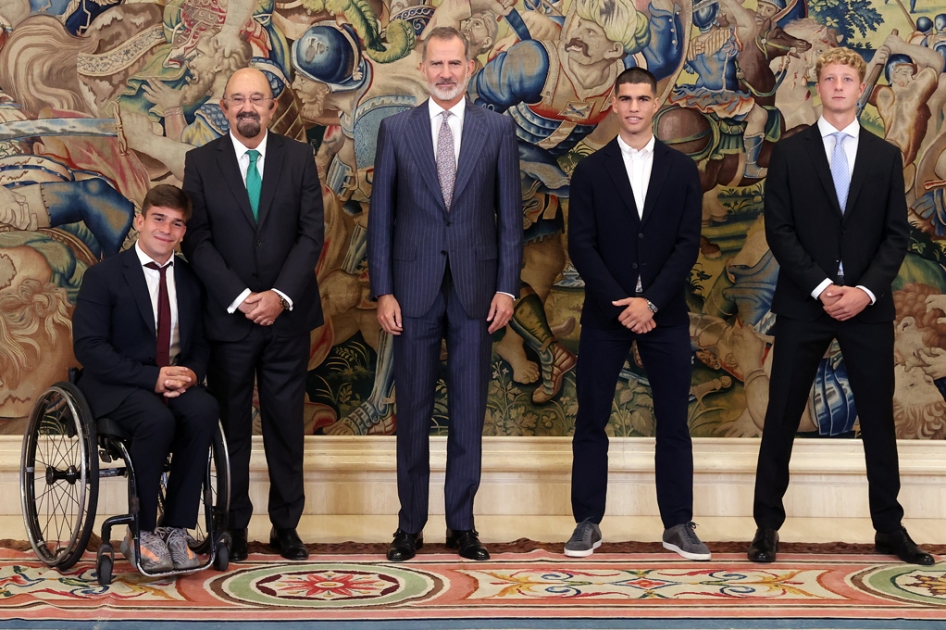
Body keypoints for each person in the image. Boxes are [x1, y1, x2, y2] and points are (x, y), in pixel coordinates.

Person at [748, 47, 934, 566]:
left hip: (867, 308)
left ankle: (890, 528)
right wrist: (823, 288)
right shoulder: (790, 152)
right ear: (818, 87)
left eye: (846, 79)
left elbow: (896, 237)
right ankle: (765, 525)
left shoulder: (883, 155)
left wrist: (864, 291)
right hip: (805, 305)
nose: (837, 87)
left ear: (859, 89)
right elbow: (779, 231)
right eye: (828, 78)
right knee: (781, 415)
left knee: (877, 418)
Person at [368, 26, 522, 562]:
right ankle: (409, 526)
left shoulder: (497, 131)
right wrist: (382, 290)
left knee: (467, 411)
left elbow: (510, 221)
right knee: (410, 410)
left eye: (455, 64)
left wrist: (507, 285)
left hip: (478, 292)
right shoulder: (396, 130)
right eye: (437, 64)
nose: (446, 73)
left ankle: (462, 524)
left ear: (469, 67)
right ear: (423, 67)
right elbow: (380, 219)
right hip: (411, 292)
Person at [181, 67, 325, 562]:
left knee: (286, 426)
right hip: (228, 321)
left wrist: (279, 294)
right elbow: (196, 240)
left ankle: (286, 527)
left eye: (257, 99)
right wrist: (241, 296)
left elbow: (312, 235)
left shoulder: (299, 157)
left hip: (287, 317)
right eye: (238, 99)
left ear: (271, 107)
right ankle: (232, 527)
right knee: (231, 430)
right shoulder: (200, 163)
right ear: (224, 108)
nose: (248, 107)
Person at [564, 67, 707, 560]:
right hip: (606, 315)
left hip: (664, 314)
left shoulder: (682, 170)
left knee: (673, 423)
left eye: (642, 98)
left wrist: (652, 302)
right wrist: (622, 304)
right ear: (615, 104)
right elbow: (580, 246)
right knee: (591, 420)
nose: (633, 107)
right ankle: (586, 521)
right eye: (624, 98)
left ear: (655, 103)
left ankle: (678, 524)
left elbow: (688, 245)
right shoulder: (589, 170)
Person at [72, 185, 217, 572]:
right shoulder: (103, 276)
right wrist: (152, 378)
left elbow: (201, 344)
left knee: (203, 408)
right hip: (114, 384)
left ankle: (175, 527)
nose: (166, 230)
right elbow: (89, 347)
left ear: (184, 232)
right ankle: (143, 530)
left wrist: (191, 373)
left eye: (176, 223)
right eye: (158, 219)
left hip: (171, 381)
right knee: (156, 418)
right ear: (140, 221)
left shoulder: (190, 279)